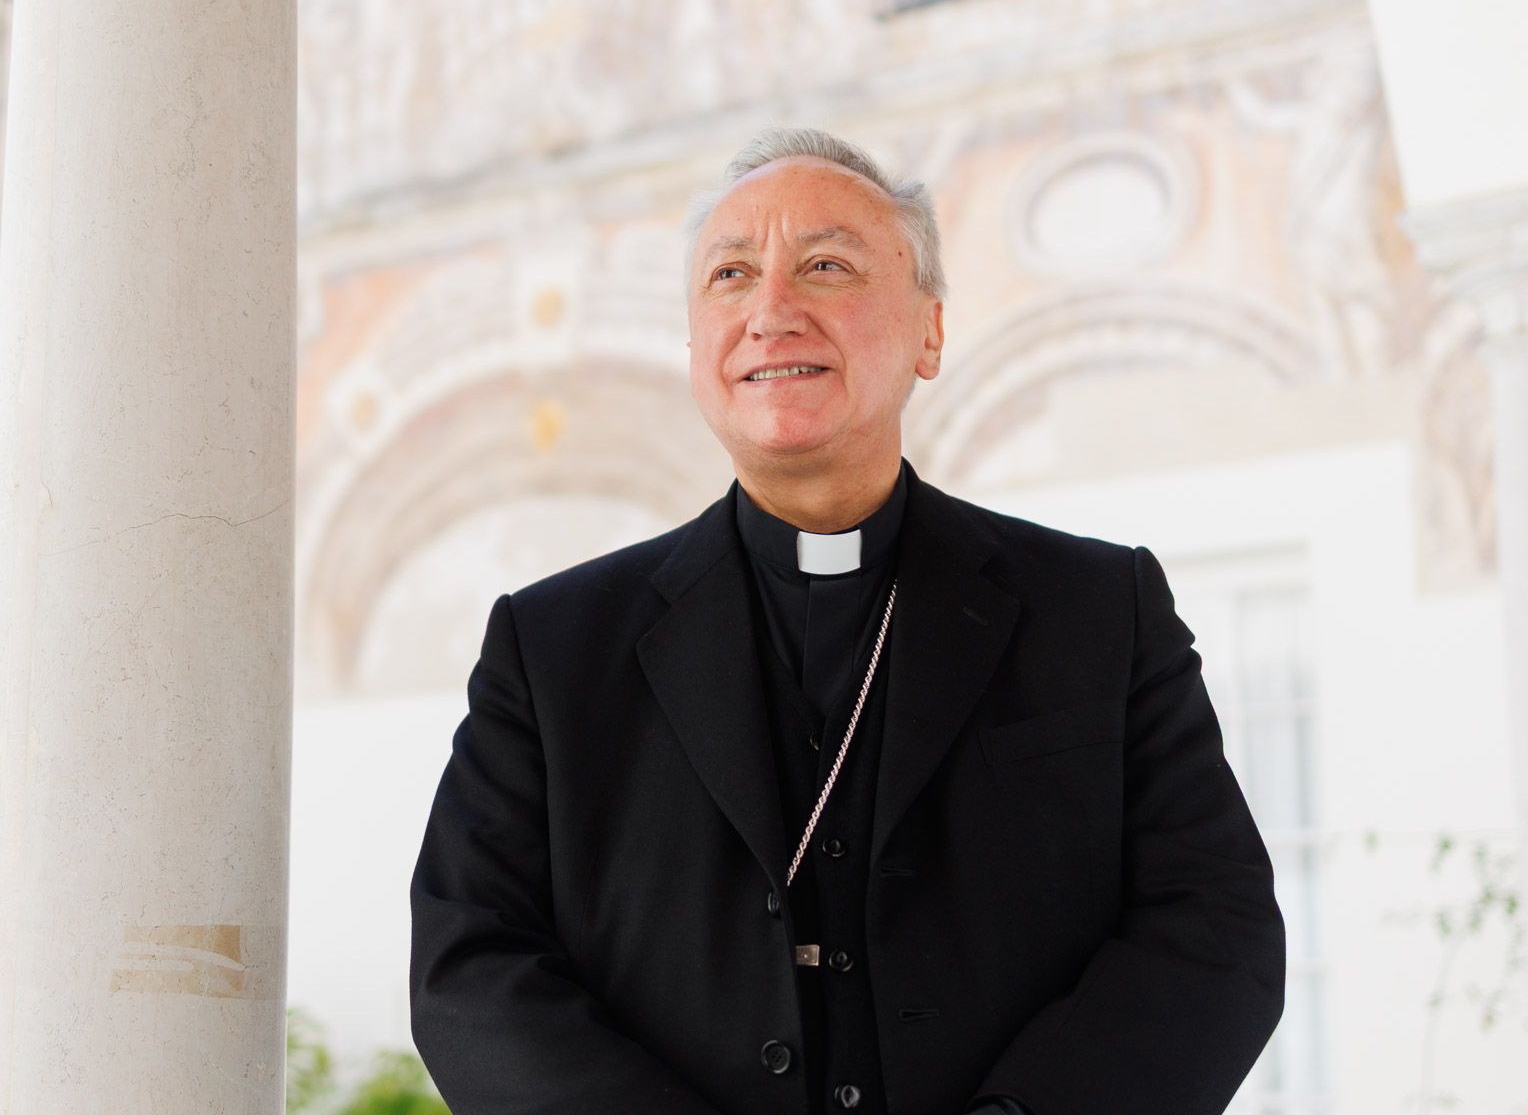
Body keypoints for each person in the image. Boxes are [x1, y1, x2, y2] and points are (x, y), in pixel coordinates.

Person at [409, 127, 1285, 1114]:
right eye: (730, 276)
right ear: (696, 343)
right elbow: (469, 961)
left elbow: (1215, 927)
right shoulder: (553, 649)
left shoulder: (1097, 612)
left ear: (930, 332)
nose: (771, 310)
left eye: (827, 266)